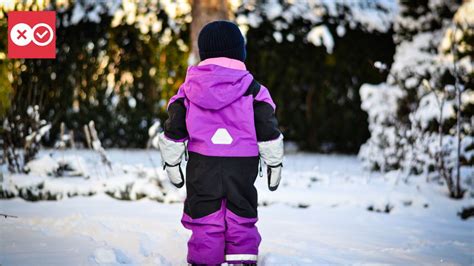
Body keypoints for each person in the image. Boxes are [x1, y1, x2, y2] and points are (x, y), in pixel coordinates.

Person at [158, 20, 284, 265]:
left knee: (206, 216)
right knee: (241, 214)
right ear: (240, 53)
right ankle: (241, 260)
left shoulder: (187, 90)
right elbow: (267, 129)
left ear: (203, 53)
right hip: (241, 166)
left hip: (203, 165)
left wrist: (172, 163)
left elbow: (174, 129)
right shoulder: (254, 90)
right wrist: (274, 163)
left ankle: (206, 261)